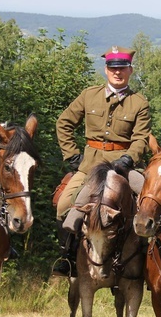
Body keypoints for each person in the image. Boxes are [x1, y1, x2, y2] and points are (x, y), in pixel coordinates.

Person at [54, 46, 151, 277]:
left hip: (122, 166)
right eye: (113, 68)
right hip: (90, 165)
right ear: (106, 70)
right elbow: (64, 123)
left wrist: (129, 158)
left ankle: (148, 260)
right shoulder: (89, 95)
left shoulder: (139, 103)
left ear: (130, 70)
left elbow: (141, 138)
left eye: (122, 68)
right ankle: (67, 256)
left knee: (151, 200)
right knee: (64, 204)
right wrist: (72, 156)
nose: (117, 73)